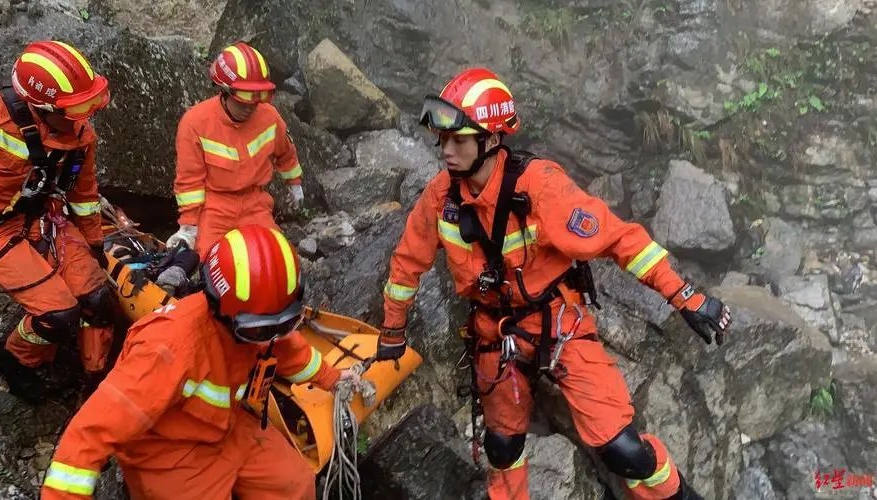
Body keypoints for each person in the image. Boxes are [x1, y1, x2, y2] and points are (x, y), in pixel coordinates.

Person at [376, 67, 732, 500]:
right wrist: (392, 329)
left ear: (491, 139)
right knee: (501, 447)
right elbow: (406, 263)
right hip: (494, 333)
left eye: (458, 140)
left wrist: (686, 297)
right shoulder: (441, 196)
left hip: (558, 323)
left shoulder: (540, 187)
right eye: (443, 139)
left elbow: (622, 241)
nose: (446, 150)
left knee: (623, 451)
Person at [42, 224, 351, 499]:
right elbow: (88, 434)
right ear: (220, 308)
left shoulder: (257, 320)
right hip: (170, 454)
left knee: (296, 484)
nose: (271, 336)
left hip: (227, 427)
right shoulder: (167, 350)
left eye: (283, 324)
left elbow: (284, 346)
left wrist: (333, 379)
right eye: (260, 330)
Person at [0, 40, 115, 402]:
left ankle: (95, 380)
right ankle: (15, 358)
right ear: (39, 107)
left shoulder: (80, 137)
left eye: (88, 105)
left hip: (40, 215)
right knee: (58, 314)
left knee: (97, 298)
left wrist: (94, 245)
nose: (83, 117)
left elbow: (82, 194)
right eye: (75, 108)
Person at [166, 41, 305, 259]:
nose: (250, 108)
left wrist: (294, 185)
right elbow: (189, 181)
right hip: (215, 207)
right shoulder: (195, 123)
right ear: (225, 91)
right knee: (209, 261)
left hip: (255, 204)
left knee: (278, 257)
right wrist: (189, 227)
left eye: (255, 102)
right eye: (243, 102)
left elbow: (286, 153)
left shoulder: (269, 117)